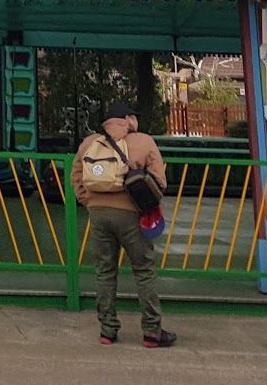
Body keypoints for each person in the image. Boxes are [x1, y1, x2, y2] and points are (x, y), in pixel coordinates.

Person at [72, 101, 176, 348]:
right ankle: (152, 331)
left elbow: (76, 176)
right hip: (131, 214)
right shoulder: (143, 141)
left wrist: (90, 201)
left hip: (98, 214)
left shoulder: (90, 143)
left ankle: (107, 330)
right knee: (144, 270)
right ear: (128, 119)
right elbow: (159, 182)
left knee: (105, 271)